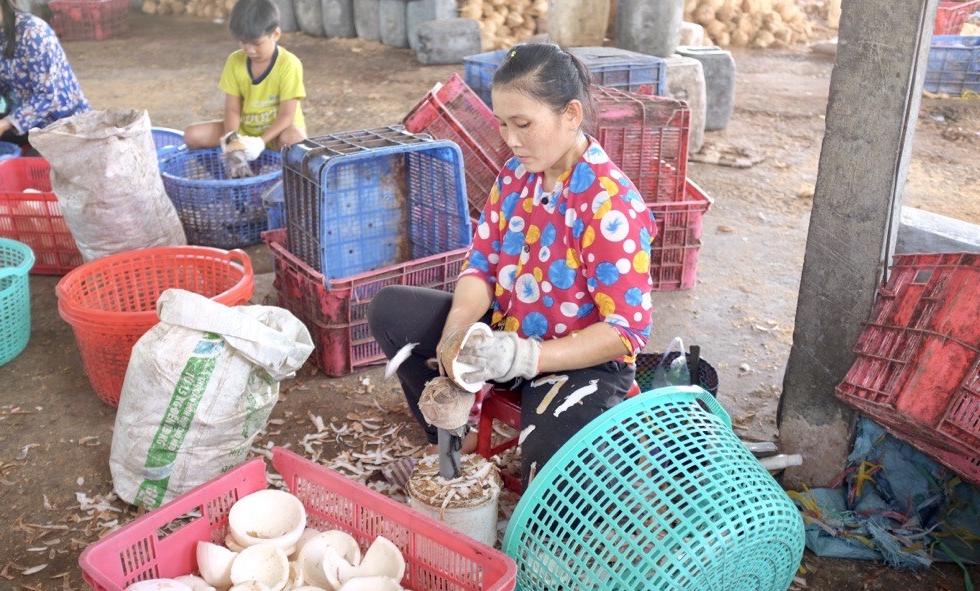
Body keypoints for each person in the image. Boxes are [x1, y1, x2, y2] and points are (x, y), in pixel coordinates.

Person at [368, 43, 658, 487]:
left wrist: (529, 356)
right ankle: (452, 436)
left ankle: (562, 453)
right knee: (391, 311)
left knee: (553, 486)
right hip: (505, 329)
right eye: (503, 124)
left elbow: (626, 331)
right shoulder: (517, 175)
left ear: (572, 115)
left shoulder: (609, 205)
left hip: (576, 358)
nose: (511, 139)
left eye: (523, 124)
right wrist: (456, 331)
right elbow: (481, 264)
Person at [0, 0, 90, 148]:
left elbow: (47, 96)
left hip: (64, 127)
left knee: (39, 165)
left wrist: (5, 123)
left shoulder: (33, 31)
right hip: (24, 124)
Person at [184, 0, 306, 153]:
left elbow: (286, 115)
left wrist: (260, 143)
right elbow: (232, 110)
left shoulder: (289, 64)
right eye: (243, 42)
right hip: (244, 131)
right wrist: (232, 138)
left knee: (295, 139)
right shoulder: (235, 61)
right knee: (192, 135)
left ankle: (285, 174)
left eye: (257, 43)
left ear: (275, 34)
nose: (250, 50)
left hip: (278, 133)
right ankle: (228, 173)